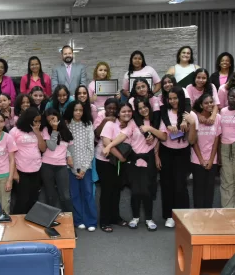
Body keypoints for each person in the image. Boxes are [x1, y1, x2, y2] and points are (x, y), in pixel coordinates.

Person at [103, 98, 165, 231]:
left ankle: (149, 219)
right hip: (134, 159)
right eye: (140, 108)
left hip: (149, 159)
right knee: (136, 190)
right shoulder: (133, 122)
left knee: (147, 190)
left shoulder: (155, 120)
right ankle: (135, 218)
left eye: (145, 107)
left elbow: (163, 137)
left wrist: (150, 130)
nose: (143, 110)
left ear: (149, 107)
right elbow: (122, 136)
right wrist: (109, 146)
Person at [157, 87, 198, 227]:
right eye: (170, 98)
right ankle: (169, 216)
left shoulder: (190, 114)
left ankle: (182, 216)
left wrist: (192, 124)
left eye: (176, 98)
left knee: (181, 185)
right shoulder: (166, 113)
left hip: (183, 153)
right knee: (167, 185)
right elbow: (162, 137)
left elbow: (192, 141)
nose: (173, 101)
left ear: (181, 98)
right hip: (166, 152)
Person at [95, 100, 129, 231]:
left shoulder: (122, 120)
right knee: (107, 190)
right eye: (109, 108)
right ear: (105, 108)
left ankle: (115, 217)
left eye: (114, 108)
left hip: (118, 160)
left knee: (116, 189)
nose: (112, 111)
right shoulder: (105, 119)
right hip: (104, 160)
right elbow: (100, 137)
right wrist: (105, 120)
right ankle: (104, 221)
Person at [64, 101, 97, 231]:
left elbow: (90, 148)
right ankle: (78, 220)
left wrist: (84, 168)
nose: (78, 112)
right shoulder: (67, 125)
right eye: (76, 110)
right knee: (74, 195)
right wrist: (69, 160)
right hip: (70, 165)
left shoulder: (88, 125)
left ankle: (91, 221)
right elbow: (65, 145)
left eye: (80, 110)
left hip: (85, 166)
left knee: (88, 193)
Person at [10, 107, 46, 214]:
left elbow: (43, 149)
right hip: (21, 170)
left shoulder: (38, 131)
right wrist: (14, 172)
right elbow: (10, 153)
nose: (38, 123)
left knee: (33, 198)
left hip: (36, 168)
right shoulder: (14, 131)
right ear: (28, 119)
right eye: (35, 121)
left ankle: (30, 221)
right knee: (22, 198)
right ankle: (17, 222)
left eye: (39, 121)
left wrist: (38, 134)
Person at [40, 109, 74, 212]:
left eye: (53, 118)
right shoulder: (46, 129)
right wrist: (54, 130)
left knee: (65, 195)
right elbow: (52, 147)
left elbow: (70, 148)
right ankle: (52, 219)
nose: (52, 121)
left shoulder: (66, 130)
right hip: (47, 165)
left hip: (61, 165)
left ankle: (69, 219)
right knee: (50, 195)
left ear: (58, 116)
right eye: (49, 119)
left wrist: (69, 156)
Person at [191, 94, 221, 208]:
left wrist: (211, 160)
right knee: (198, 190)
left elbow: (216, 141)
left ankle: (208, 215)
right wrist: (201, 160)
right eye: (206, 103)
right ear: (201, 105)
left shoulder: (217, 118)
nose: (209, 105)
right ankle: (198, 215)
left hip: (212, 160)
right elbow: (194, 141)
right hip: (197, 160)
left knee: (209, 190)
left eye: (211, 102)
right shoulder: (195, 118)